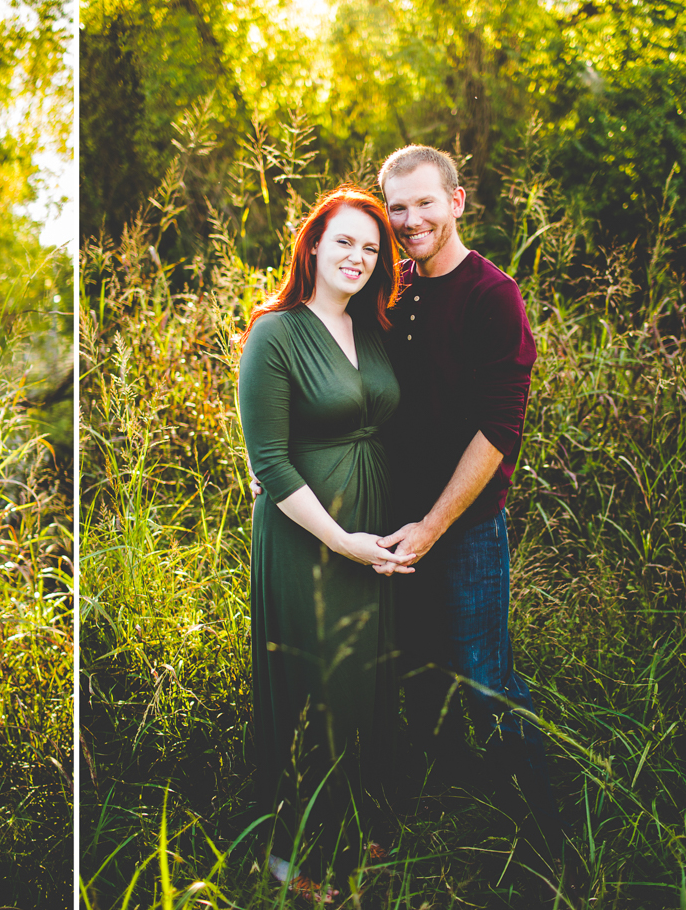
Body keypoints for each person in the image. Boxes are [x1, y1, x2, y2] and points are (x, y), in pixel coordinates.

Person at [374, 145, 567, 853]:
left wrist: (432, 525)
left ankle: (552, 840)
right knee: (412, 678)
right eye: (397, 206)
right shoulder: (390, 287)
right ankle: (427, 832)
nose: (410, 218)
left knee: (485, 682)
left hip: (465, 532)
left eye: (426, 202)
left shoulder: (493, 295)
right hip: (391, 531)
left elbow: (498, 430)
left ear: (457, 202)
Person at [236, 185, 415, 895]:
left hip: (371, 533)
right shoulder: (275, 333)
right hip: (311, 536)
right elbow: (270, 461)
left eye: (372, 249)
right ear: (312, 244)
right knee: (313, 686)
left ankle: (350, 823)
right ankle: (284, 854)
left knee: (364, 683)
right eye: (344, 241)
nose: (358, 256)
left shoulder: (373, 330)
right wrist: (342, 538)